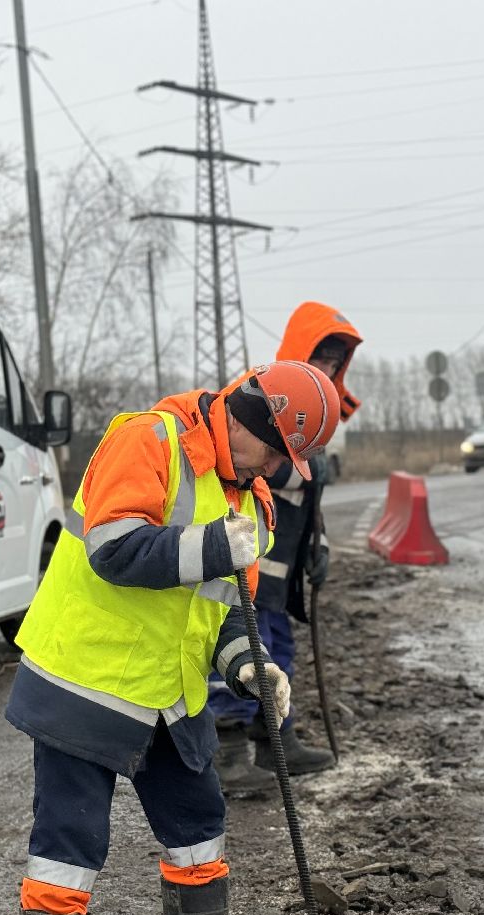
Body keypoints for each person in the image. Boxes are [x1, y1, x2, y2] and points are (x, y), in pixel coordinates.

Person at [2, 362, 341, 915]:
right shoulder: (148, 441)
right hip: (87, 681)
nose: (278, 468)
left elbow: (222, 613)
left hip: (169, 690)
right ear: (251, 421)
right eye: (276, 451)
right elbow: (114, 549)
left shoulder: (250, 502)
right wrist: (214, 545)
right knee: (71, 839)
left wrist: (250, 665)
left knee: (198, 823)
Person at [210, 302, 364, 794]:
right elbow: (260, 471)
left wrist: (319, 547)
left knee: (279, 647)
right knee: (246, 644)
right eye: (322, 356)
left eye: (336, 362)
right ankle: (229, 749)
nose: (328, 369)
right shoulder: (268, 403)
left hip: (283, 561)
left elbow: (310, 497)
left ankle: (276, 739)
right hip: (250, 555)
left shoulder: (323, 410)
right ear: (302, 351)